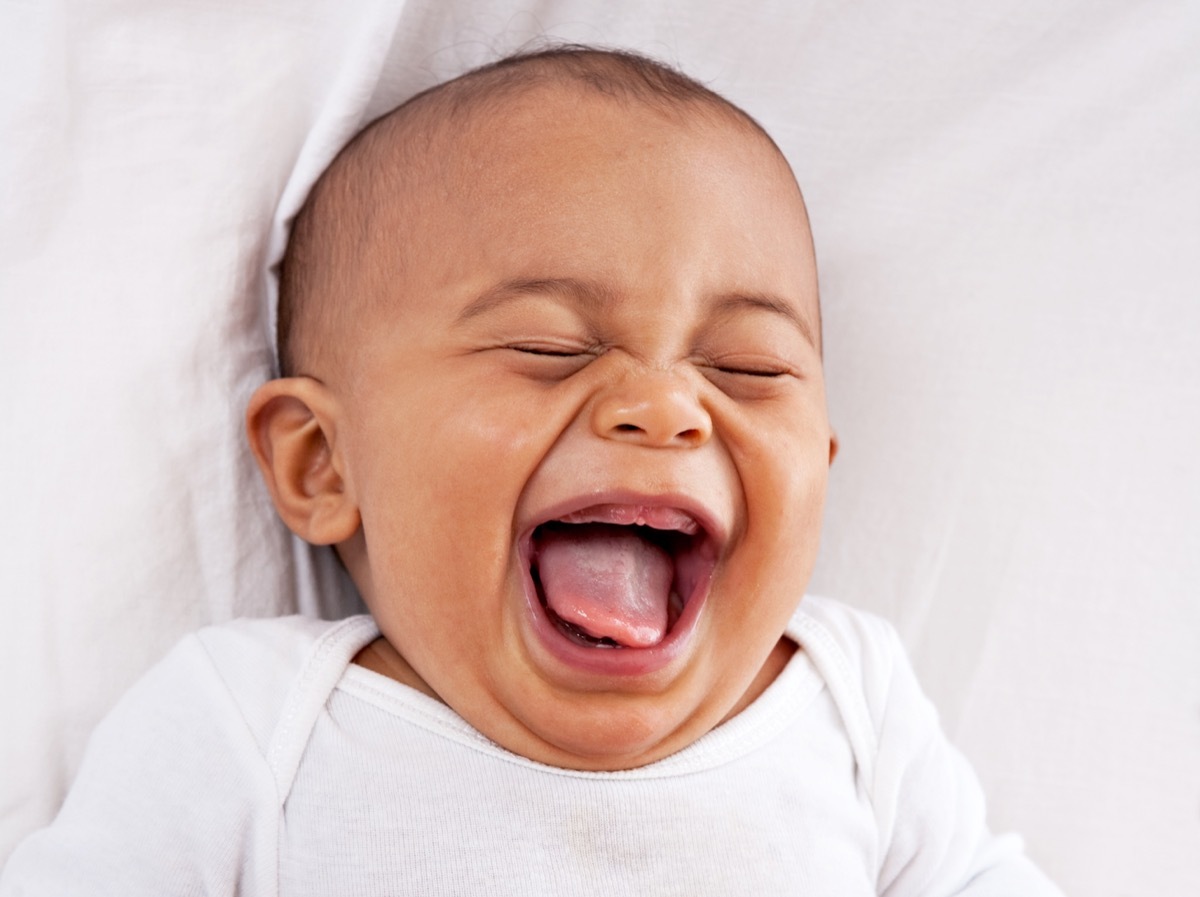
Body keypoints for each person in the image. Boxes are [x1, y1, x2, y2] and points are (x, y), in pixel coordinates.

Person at [0, 46, 1062, 895]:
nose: (665, 404)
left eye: (749, 367)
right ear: (324, 462)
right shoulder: (253, 728)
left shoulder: (851, 704)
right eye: (549, 348)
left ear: (822, 466)